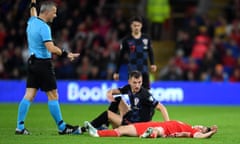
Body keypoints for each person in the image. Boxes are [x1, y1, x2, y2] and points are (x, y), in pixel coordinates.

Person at [15, 0, 81, 135]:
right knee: (53, 95)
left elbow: (32, 11)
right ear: (47, 11)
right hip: (43, 64)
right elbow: (50, 48)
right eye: (54, 12)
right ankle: (62, 128)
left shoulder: (32, 21)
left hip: (32, 63)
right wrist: (67, 54)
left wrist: (33, 3)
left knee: (29, 95)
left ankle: (19, 127)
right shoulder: (44, 27)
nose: (55, 15)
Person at [82, 70, 169, 132]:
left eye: (139, 82)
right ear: (129, 82)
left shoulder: (145, 94)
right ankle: (104, 126)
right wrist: (110, 92)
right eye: (135, 82)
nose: (137, 85)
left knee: (108, 114)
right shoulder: (128, 88)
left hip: (135, 125)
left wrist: (168, 126)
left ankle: (84, 129)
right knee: (117, 99)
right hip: (131, 117)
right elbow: (117, 91)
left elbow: (161, 107)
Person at [113, 16, 157, 89]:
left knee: (146, 93)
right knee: (133, 93)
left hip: (144, 70)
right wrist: (116, 72)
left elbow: (150, 51)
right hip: (132, 70)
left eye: (138, 25)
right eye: (134, 25)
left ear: (141, 26)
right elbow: (120, 56)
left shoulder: (146, 38)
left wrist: (152, 63)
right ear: (131, 26)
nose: (136, 27)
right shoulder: (126, 40)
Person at [85, 120, 218, 139]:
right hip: (152, 123)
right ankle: (97, 133)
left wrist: (210, 133)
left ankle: (151, 134)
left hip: (163, 129)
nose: (200, 126)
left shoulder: (193, 132)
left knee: (158, 130)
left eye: (202, 128)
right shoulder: (188, 124)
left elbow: (198, 136)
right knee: (123, 129)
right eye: (202, 126)